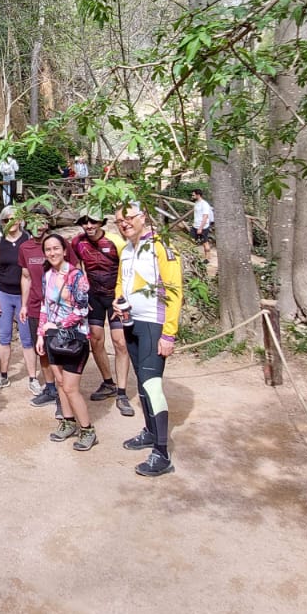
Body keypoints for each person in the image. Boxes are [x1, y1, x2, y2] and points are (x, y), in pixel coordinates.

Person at [114, 202, 185, 477]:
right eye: (119, 221)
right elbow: (122, 282)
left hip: (154, 324)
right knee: (141, 383)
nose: (124, 224)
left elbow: (174, 290)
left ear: (142, 217)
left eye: (128, 218)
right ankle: (150, 431)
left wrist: (169, 333)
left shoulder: (160, 245)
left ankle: (162, 453)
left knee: (152, 385)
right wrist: (118, 300)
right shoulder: (126, 249)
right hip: (131, 322)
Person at [35, 233, 97, 450]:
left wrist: (59, 325)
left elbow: (82, 310)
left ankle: (88, 429)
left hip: (74, 338)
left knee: (70, 387)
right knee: (60, 382)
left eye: (56, 248)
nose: (52, 253)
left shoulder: (76, 276)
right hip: (53, 338)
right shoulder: (47, 275)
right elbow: (45, 306)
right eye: (48, 249)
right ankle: (68, 422)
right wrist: (40, 334)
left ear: (64, 250)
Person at [73, 212, 131, 416]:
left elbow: (127, 270)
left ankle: (122, 392)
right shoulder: (78, 242)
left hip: (116, 297)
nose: (89, 225)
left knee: (120, 342)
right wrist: (81, 294)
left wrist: (124, 297)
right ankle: (108, 383)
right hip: (93, 298)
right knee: (96, 341)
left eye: (93, 221)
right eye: (84, 222)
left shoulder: (115, 242)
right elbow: (76, 267)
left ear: (101, 222)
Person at [19, 213, 66, 409]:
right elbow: (26, 277)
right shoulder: (25, 247)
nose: (37, 226)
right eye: (33, 221)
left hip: (59, 308)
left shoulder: (57, 244)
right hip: (36, 306)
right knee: (42, 350)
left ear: (48, 224)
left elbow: (73, 269)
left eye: (41, 221)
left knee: (60, 350)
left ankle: (64, 393)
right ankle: (50, 388)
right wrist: (24, 304)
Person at [0, 206, 31, 390]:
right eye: (6, 220)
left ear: (20, 220)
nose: (10, 223)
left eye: (14, 219)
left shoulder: (28, 238)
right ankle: (3, 375)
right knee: (4, 336)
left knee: (27, 337)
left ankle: (33, 378)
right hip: (3, 293)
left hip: (24, 295)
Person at [191, 188, 215, 262]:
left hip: (203, 227)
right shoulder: (197, 202)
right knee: (192, 240)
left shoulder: (204, 204)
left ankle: (207, 258)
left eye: (193, 195)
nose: (192, 196)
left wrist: (200, 228)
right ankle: (195, 256)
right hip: (195, 225)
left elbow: (205, 217)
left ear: (198, 195)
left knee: (205, 242)